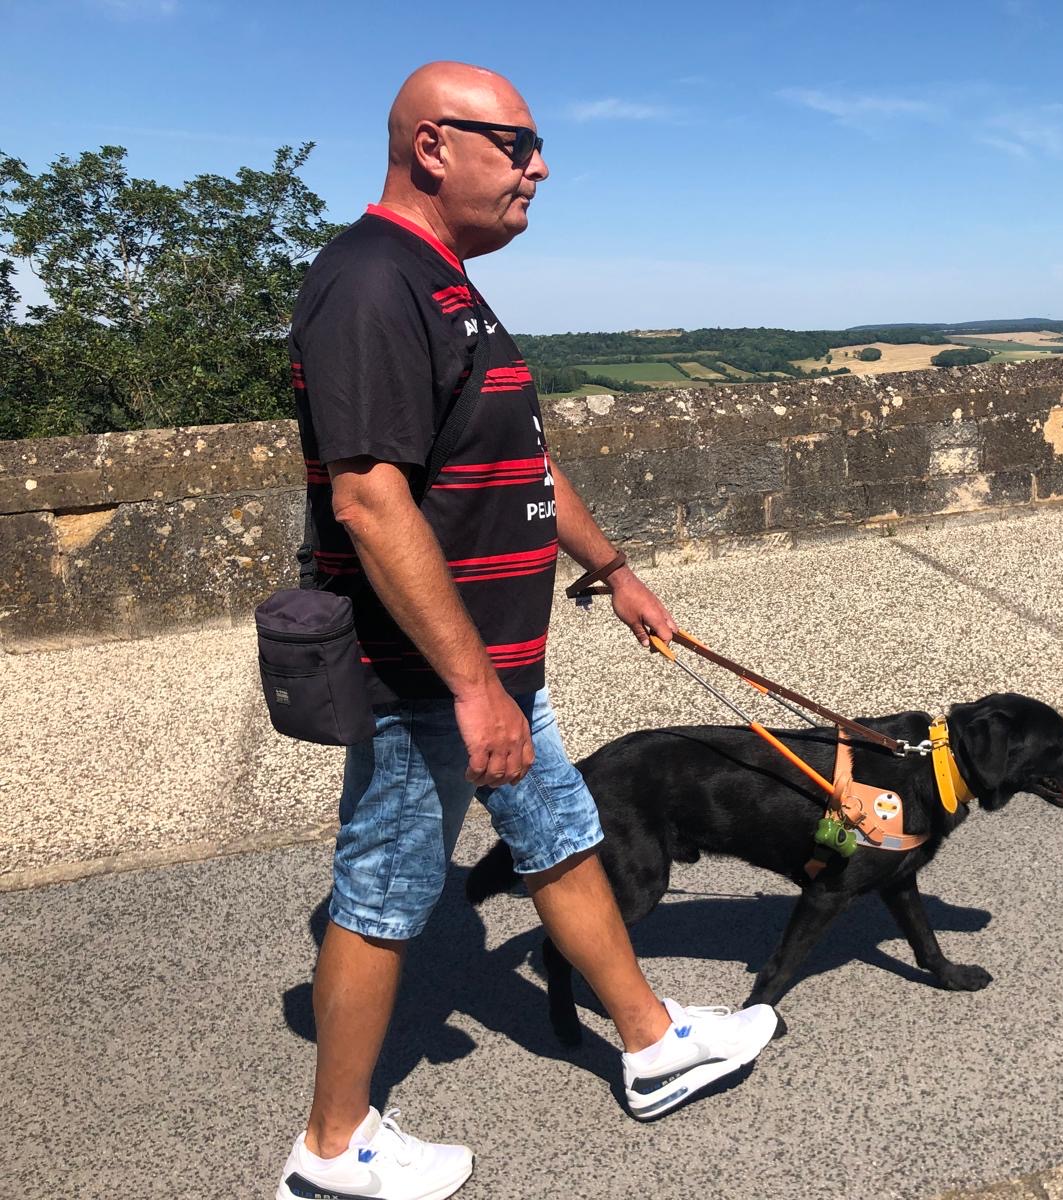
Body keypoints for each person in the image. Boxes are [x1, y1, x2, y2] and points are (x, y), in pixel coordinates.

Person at [276, 61, 777, 1200]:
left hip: (496, 659)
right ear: (432, 146)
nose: (540, 165)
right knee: (385, 892)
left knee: (555, 833)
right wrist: (471, 685)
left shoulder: (446, 281)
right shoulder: (370, 282)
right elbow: (369, 499)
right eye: (518, 142)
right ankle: (328, 1151)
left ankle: (650, 1044)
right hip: (428, 671)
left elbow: (518, 465)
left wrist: (611, 568)